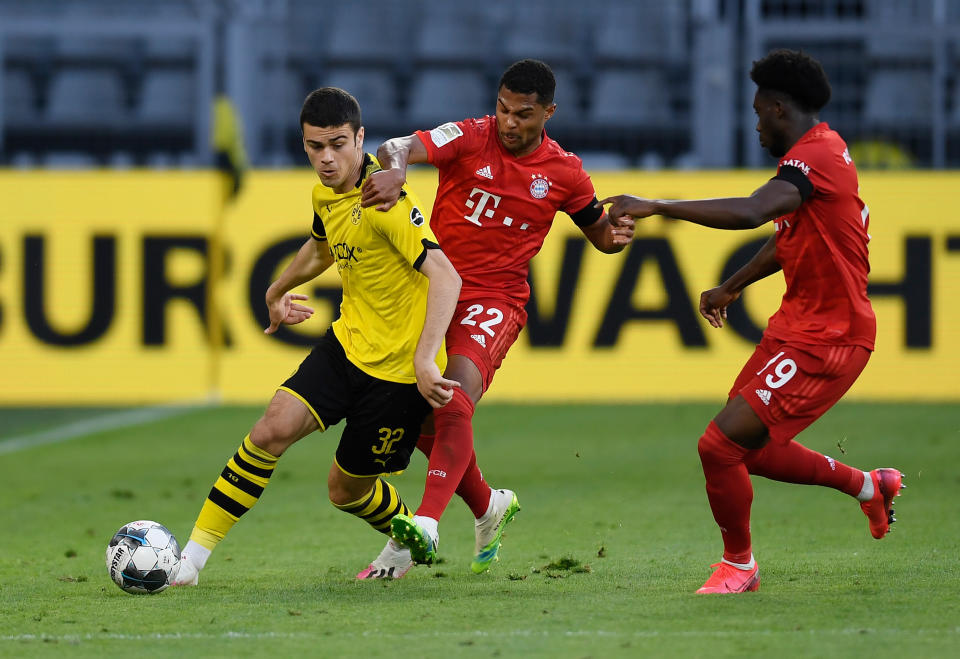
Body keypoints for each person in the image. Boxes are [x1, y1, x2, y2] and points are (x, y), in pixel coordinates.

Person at [601, 49, 903, 594]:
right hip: (798, 327)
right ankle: (867, 486)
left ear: (781, 108)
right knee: (745, 450)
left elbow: (750, 212)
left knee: (718, 447)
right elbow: (789, 237)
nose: (756, 121)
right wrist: (732, 286)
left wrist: (657, 204)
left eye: (761, 110)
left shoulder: (815, 160)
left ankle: (739, 565)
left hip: (830, 338)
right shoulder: (819, 156)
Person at [173, 87, 461, 585]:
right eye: (314, 146)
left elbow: (447, 277)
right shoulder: (324, 192)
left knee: (344, 491)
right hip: (346, 346)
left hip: (394, 375)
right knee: (270, 429)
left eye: (338, 144)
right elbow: (321, 245)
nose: (326, 159)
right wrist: (277, 288)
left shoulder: (387, 202)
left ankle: (405, 535)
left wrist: (425, 360)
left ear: (361, 139)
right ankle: (189, 563)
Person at [358, 59, 635, 577]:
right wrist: (394, 169)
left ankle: (422, 526)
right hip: (436, 290)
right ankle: (488, 506)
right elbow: (396, 146)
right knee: (421, 419)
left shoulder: (566, 173)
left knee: (453, 398)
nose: (509, 122)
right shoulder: (468, 135)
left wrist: (615, 239)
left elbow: (600, 233)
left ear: (549, 112)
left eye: (524, 115)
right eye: (503, 109)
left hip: (495, 299)